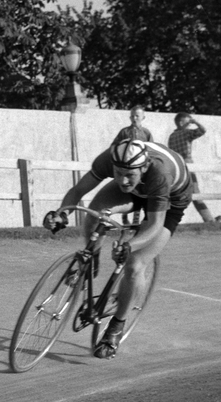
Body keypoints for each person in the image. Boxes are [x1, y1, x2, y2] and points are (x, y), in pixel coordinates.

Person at [42, 136, 192, 359]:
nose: (122, 180)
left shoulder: (160, 173)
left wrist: (130, 246)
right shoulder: (111, 158)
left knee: (134, 264)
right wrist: (62, 213)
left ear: (144, 166)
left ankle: (116, 326)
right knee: (96, 210)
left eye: (129, 174)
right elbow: (78, 191)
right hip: (139, 189)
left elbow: (154, 225)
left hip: (169, 202)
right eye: (118, 173)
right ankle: (90, 261)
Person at [167, 112, 220, 225]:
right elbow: (203, 130)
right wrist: (195, 121)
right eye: (188, 122)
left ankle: (167, 219)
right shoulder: (186, 133)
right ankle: (209, 220)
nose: (190, 125)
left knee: (177, 194)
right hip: (188, 165)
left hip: (176, 167)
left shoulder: (172, 136)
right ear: (181, 123)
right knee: (196, 194)